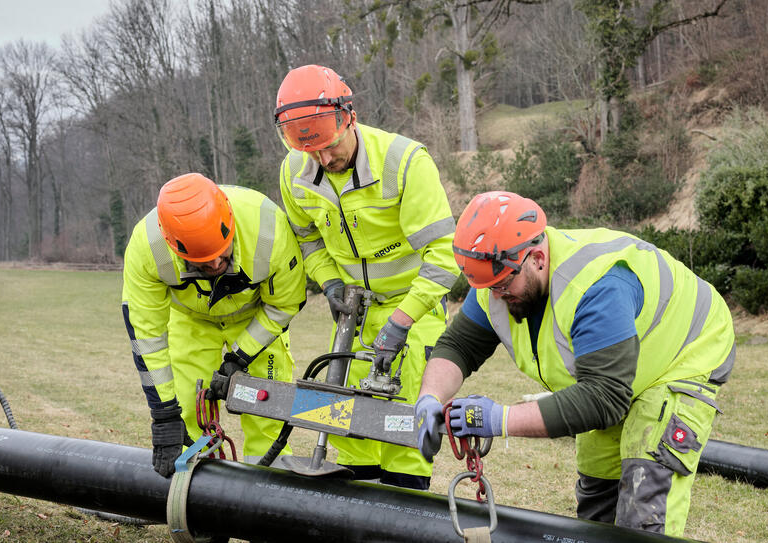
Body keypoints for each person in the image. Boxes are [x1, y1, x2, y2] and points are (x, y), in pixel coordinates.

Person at [414, 191, 735, 536]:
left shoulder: (596, 287)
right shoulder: (500, 274)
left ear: (536, 257)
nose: (496, 295)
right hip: (612, 377)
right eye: (488, 287)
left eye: (504, 285)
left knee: (642, 508)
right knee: (597, 503)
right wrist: (430, 397)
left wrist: (498, 419)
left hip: (682, 357)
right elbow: (459, 345)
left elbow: (604, 399)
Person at [275, 64, 460, 490]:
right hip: (353, 315)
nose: (323, 159)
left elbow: (443, 256)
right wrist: (329, 282)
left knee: (403, 430)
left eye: (330, 147)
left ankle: (402, 516)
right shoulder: (294, 174)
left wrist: (403, 319)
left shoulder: (404, 163)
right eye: (312, 151)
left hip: (412, 308)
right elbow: (307, 240)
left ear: (349, 117)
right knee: (349, 428)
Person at [122, 173, 307, 477]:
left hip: (256, 317)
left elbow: (284, 304)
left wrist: (239, 357)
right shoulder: (148, 247)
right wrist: (164, 416)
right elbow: (147, 337)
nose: (213, 266)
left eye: (220, 257)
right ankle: (194, 495)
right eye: (201, 263)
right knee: (188, 405)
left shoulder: (268, 228)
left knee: (268, 410)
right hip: (191, 318)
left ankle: (270, 501)